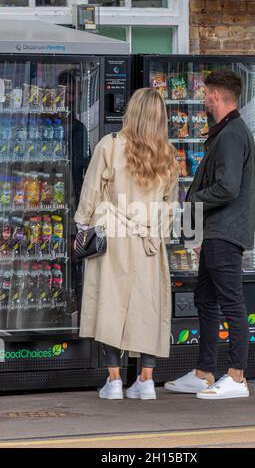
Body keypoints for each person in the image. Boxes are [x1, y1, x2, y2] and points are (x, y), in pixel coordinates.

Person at [74, 88, 179, 400]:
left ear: (131, 112)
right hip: (148, 239)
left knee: (110, 304)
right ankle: (146, 381)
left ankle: (115, 381)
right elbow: (169, 206)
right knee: (147, 307)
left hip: (113, 237)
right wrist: (158, 236)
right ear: (161, 118)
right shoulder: (169, 154)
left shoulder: (111, 145)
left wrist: (82, 226)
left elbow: (91, 190)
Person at [164, 70, 255, 400]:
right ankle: (204, 372)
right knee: (205, 299)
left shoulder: (232, 135)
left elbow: (228, 188)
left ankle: (237, 376)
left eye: (205, 94)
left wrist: (189, 201)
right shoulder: (227, 132)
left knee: (231, 303)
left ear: (216, 96)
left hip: (225, 233)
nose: (203, 100)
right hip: (216, 231)